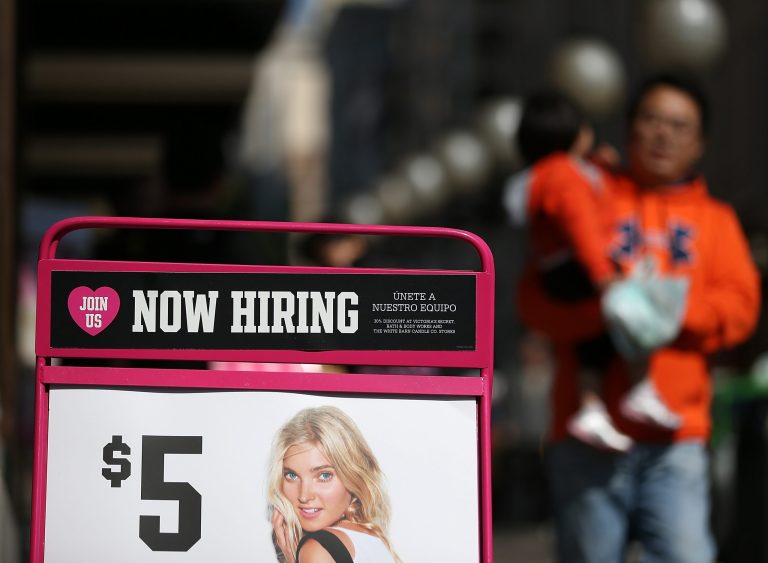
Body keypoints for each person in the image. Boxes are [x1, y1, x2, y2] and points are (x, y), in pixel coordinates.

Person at [516, 74, 761, 563]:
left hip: (677, 443)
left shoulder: (717, 221)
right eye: (651, 120)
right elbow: (534, 300)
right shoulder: (588, 194)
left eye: (678, 125)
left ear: (699, 143)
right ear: (628, 129)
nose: (663, 134)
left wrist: (660, 312)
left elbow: (740, 312)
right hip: (587, 440)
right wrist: (607, 313)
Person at [505, 89, 680, 454]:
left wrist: (595, 166)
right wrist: (603, 276)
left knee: (593, 344)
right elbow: (580, 225)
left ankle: (591, 407)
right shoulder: (567, 176)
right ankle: (641, 388)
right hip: (579, 267)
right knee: (633, 316)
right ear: (570, 133)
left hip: (558, 270)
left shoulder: (546, 175)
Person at [267, 406, 401, 563]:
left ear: (352, 476)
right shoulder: (372, 538)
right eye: (292, 475)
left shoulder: (318, 549)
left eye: (324, 475)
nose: (304, 495)